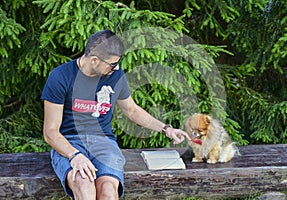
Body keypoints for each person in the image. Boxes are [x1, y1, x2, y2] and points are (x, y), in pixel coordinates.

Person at [41, 29, 190, 200]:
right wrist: (74, 155)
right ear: (95, 60)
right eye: (112, 64)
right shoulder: (61, 77)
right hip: (70, 142)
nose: (117, 68)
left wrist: (165, 129)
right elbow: (50, 132)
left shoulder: (115, 75)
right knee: (84, 184)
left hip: (103, 141)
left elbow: (131, 110)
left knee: (108, 192)